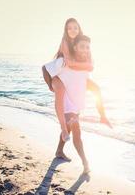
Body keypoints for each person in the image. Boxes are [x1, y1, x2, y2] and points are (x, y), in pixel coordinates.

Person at [42, 18, 112, 145]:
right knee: (60, 93)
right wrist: (50, 86)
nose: (73, 30)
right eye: (69, 28)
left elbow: (90, 65)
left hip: (72, 75)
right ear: (66, 30)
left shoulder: (84, 43)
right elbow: (69, 63)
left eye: (75, 27)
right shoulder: (65, 42)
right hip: (57, 74)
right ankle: (63, 129)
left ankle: (102, 116)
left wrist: (86, 65)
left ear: (79, 29)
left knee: (96, 89)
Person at [53, 34, 92, 174]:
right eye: (82, 46)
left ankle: (59, 151)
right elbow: (47, 69)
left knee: (68, 130)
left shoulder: (83, 64)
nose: (85, 50)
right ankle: (85, 164)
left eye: (87, 47)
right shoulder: (66, 61)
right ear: (74, 47)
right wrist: (52, 86)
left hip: (76, 104)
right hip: (67, 104)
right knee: (77, 134)